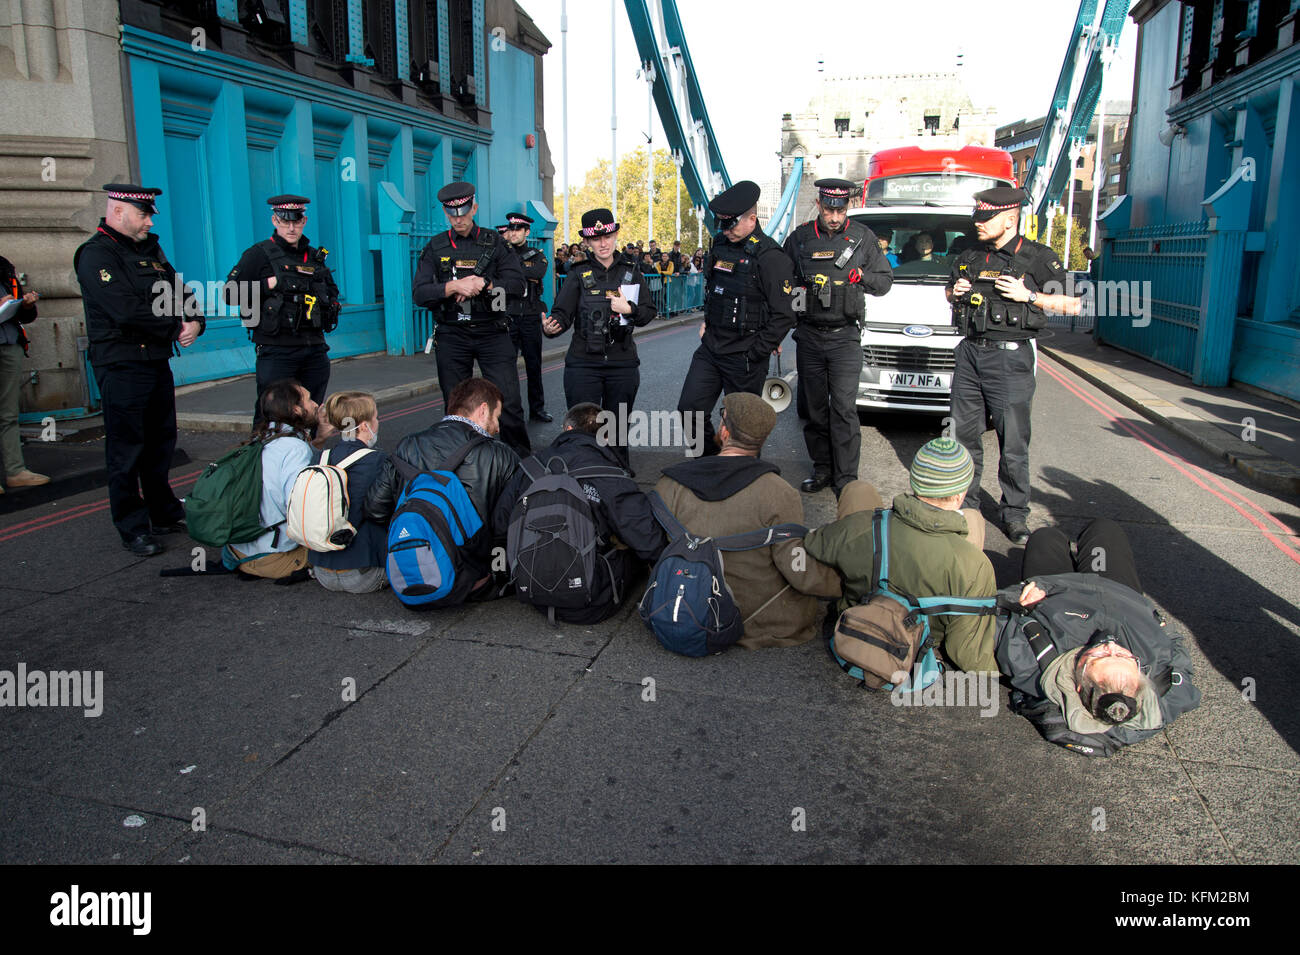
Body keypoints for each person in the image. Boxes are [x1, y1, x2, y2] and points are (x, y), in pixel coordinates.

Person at [995, 518, 1201, 753]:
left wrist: (1026, 596)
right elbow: (1180, 679)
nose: (1110, 645)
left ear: (1079, 686)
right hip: (1119, 592)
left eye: (1099, 657)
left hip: (1055, 588)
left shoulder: (1036, 662)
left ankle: (1056, 547)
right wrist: (1162, 624)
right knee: (1105, 529)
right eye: (1124, 657)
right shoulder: (1159, 675)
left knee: (1045, 537)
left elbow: (997, 614)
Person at [946, 187, 1080, 545]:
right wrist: (954, 291)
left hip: (1011, 357)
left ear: (1010, 218)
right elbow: (948, 293)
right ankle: (966, 507)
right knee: (963, 437)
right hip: (970, 353)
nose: (979, 226)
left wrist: (1030, 296)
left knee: (1014, 441)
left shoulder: (1037, 258)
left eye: (986, 219)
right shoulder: (968, 254)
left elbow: (1074, 306)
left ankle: (1015, 513)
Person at [74, 184, 204, 556]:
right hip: (121, 364)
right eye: (144, 214)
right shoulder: (96, 255)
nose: (149, 221)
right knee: (126, 447)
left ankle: (162, 511)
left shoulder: (150, 251)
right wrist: (175, 327)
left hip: (155, 361)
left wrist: (195, 319)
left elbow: (181, 292)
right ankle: (132, 525)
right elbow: (125, 309)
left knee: (160, 441)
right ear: (118, 211)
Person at [654, 392, 841, 648]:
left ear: (724, 431)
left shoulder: (672, 483)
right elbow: (797, 568)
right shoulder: (781, 492)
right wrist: (844, 584)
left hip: (683, 606)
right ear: (761, 440)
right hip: (757, 619)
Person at [803, 437, 998, 672]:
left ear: (914, 481)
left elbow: (812, 544)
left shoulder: (861, 527)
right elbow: (967, 652)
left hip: (860, 623)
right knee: (973, 517)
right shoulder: (975, 564)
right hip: (920, 643)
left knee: (858, 490)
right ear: (959, 495)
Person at [492, 402, 666, 624]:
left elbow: (499, 525)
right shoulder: (611, 475)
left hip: (532, 588)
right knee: (631, 545)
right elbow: (646, 537)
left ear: (567, 429)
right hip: (593, 602)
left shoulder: (529, 467)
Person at [783, 178, 893, 496]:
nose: (834, 216)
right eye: (829, 209)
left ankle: (846, 478)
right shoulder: (801, 238)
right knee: (815, 410)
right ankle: (822, 469)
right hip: (810, 336)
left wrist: (863, 277)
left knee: (843, 409)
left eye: (840, 210)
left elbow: (885, 281)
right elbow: (785, 283)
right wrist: (788, 316)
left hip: (845, 337)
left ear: (848, 207)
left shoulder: (861, 237)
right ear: (819, 205)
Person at [363, 377, 520, 595]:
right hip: (475, 579)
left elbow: (375, 509)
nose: (497, 427)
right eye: (497, 417)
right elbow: (515, 521)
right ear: (483, 410)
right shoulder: (500, 454)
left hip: (415, 573)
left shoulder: (407, 446)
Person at [676, 180, 797, 454]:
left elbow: (784, 315)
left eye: (730, 224)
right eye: (721, 224)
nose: (725, 230)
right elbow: (715, 290)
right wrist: (708, 321)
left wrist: (757, 352)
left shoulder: (770, 257)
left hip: (745, 354)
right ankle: (708, 462)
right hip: (711, 348)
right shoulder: (720, 245)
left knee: (741, 427)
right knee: (689, 409)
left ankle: (742, 476)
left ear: (752, 219)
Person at [412, 182, 530, 457]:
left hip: (493, 332)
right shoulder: (436, 246)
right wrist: (452, 287)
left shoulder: (496, 243)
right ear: (445, 213)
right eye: (452, 214)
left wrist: (485, 283)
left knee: (509, 402)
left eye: (463, 212)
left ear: (474, 208)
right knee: (456, 406)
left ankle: (519, 462)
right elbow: (419, 293)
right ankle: (460, 461)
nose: (458, 219)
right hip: (453, 334)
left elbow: (517, 284)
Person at [542, 209, 656, 471]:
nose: (603, 244)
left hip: (622, 363)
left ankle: (618, 476)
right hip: (583, 364)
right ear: (588, 242)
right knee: (583, 427)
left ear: (615, 235)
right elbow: (562, 313)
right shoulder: (577, 273)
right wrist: (551, 328)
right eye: (596, 239)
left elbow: (648, 313)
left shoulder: (632, 272)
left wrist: (629, 310)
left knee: (616, 428)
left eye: (607, 236)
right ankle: (583, 475)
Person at [225, 195, 340, 422]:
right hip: (277, 351)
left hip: (314, 348)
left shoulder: (315, 257)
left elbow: (332, 292)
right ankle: (263, 456)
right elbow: (230, 293)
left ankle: (307, 453)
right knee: (272, 416)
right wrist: (269, 285)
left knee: (310, 415)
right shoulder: (259, 254)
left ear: (304, 221)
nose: (291, 227)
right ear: (274, 220)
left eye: (296, 222)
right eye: (284, 221)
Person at [222, 379, 316, 580]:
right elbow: (300, 506)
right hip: (272, 558)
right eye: (309, 400)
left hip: (238, 551)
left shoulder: (260, 438)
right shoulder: (295, 449)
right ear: (296, 410)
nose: (316, 404)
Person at [308, 391, 390, 593]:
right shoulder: (377, 460)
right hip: (364, 574)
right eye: (375, 417)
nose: (377, 422)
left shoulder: (320, 458)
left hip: (322, 572)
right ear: (364, 426)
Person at [0, 255, 48, 492]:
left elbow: (24, 316)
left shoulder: (3, 266)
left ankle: (15, 471)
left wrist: (26, 304)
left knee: (8, 412)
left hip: (9, 342)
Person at [501, 211, 552, 423]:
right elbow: (497, 277)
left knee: (533, 366)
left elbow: (537, 273)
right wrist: (520, 273)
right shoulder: (501, 254)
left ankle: (537, 409)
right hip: (509, 315)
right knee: (506, 368)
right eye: (510, 229)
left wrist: (513, 272)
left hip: (530, 315)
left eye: (518, 229)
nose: (513, 233)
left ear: (526, 231)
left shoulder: (536, 254)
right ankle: (511, 412)